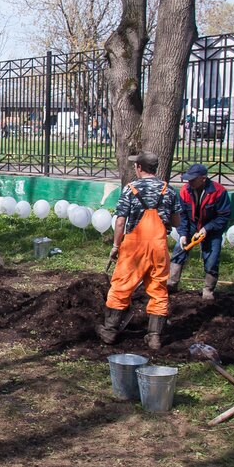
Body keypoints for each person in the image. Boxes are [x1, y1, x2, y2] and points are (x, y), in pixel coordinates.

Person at [98, 150, 181, 350]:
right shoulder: (168, 191)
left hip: (134, 247)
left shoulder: (130, 189)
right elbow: (177, 221)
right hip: (158, 247)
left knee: (121, 286)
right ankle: (154, 337)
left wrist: (116, 246)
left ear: (139, 168)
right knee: (159, 289)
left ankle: (109, 332)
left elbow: (120, 222)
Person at [168, 163, 232, 300]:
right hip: (191, 225)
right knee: (179, 250)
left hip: (212, 228)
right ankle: (171, 283)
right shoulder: (185, 191)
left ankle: (208, 290)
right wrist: (183, 234)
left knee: (212, 258)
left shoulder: (218, 192)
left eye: (192, 179)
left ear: (203, 179)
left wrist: (207, 229)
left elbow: (223, 216)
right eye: (188, 179)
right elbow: (182, 214)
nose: (189, 182)